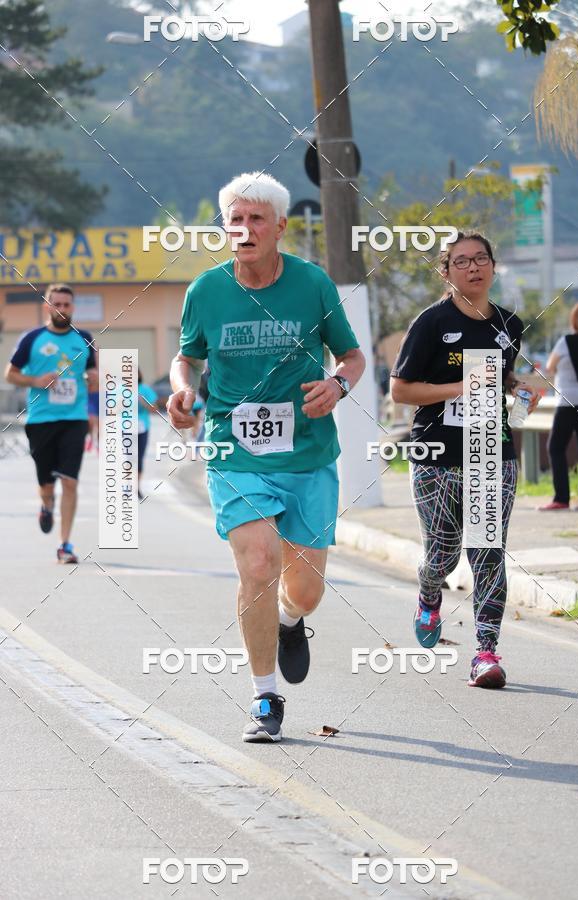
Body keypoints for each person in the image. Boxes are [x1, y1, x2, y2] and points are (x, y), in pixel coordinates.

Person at [167, 172, 365, 742]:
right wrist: (183, 392)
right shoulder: (205, 290)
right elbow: (188, 358)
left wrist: (338, 386)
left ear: (279, 227)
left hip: (307, 452)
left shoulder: (312, 284)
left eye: (256, 219)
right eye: (236, 219)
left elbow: (351, 357)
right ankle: (264, 698)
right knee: (258, 563)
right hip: (235, 450)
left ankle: (289, 620)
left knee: (305, 590)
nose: (245, 228)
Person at [391, 232, 539, 689]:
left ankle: (486, 653)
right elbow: (400, 390)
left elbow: (505, 373)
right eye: (461, 261)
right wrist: (461, 388)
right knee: (442, 553)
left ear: (493, 266)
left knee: (488, 554)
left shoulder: (510, 324)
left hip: (491, 451)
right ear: (447, 272)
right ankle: (429, 593)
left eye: (481, 259)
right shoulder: (432, 323)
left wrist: (519, 389)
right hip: (435, 454)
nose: (473, 268)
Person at [5, 283, 98, 563]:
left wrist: (94, 382)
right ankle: (46, 504)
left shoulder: (84, 338)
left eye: (67, 304)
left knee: (70, 481)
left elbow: (93, 374)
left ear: (73, 307)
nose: (62, 309)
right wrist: (36, 380)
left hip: (74, 419)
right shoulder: (31, 338)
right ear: (47, 306)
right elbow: (10, 374)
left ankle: (65, 545)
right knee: (47, 485)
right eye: (56, 304)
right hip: (41, 419)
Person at [541, 302, 578, 511]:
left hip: (568, 401)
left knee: (556, 447)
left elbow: (549, 366)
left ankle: (561, 498)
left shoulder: (565, 342)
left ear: (573, 320)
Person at [137, 370, 158, 500]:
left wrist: (143, 402)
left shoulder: (145, 389)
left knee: (139, 458)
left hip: (141, 427)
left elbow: (154, 409)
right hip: (123, 428)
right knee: (127, 458)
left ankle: (136, 487)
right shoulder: (119, 389)